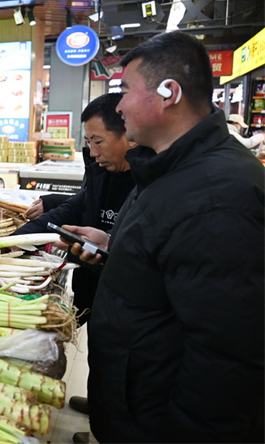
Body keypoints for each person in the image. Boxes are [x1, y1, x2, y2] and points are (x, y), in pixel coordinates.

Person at [64, 32, 264, 443]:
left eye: (124, 90)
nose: (118, 106)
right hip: (134, 394)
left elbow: (226, 352)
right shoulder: (170, 167)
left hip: (157, 416)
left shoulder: (218, 195)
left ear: (168, 92)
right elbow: (171, 260)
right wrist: (113, 249)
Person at [14, 92, 135, 326]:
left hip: (125, 298)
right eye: (88, 143)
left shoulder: (149, 183)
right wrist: (16, 240)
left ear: (129, 135)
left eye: (98, 142)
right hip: (88, 286)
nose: (92, 152)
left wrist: (110, 245)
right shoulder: (101, 173)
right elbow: (71, 208)